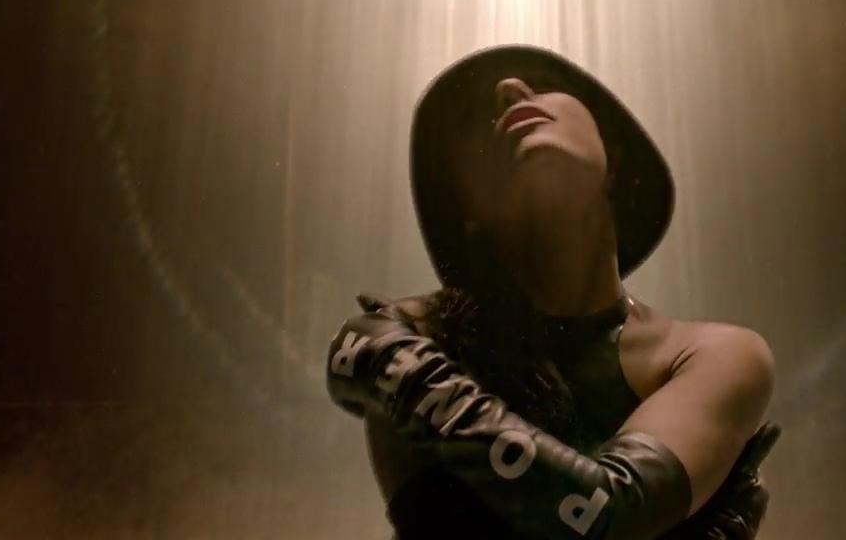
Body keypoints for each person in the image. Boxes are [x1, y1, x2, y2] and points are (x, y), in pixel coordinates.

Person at [327, 44, 779, 539]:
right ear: (467, 209)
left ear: (614, 158)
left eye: (545, 84)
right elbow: (604, 518)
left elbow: (608, 513)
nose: (511, 91)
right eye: (478, 121)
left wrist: (405, 379)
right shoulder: (426, 333)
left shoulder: (715, 352)